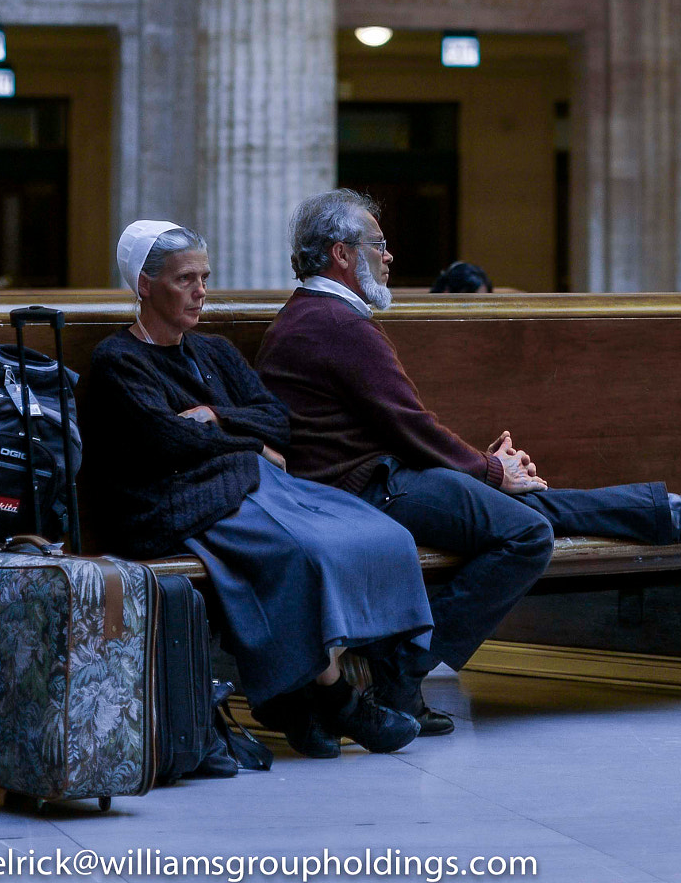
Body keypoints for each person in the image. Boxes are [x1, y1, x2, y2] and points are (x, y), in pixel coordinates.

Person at [256, 190, 681, 733]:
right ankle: (399, 669)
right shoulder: (335, 322)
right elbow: (409, 424)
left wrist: (488, 472)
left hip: (383, 478)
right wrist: (489, 472)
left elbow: (397, 424)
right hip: (365, 491)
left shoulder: (319, 315)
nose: (389, 256)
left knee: (534, 504)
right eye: (378, 244)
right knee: (527, 533)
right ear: (340, 254)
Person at [83, 218, 432, 761]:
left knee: (375, 533)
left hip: (244, 486)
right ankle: (339, 700)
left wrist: (217, 417)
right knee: (302, 554)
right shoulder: (116, 361)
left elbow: (278, 421)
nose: (201, 291)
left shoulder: (216, 351)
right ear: (145, 286)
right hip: (170, 502)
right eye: (184, 280)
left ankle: (304, 704)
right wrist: (248, 447)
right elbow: (165, 441)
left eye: (204, 277)